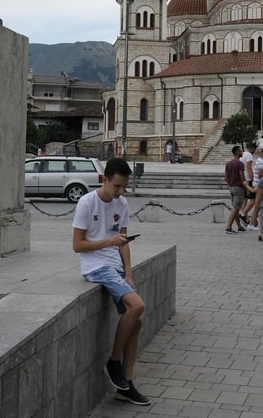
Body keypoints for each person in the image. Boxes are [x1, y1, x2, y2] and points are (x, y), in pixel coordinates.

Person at [72, 158, 151, 406]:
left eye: (123, 187)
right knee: (137, 306)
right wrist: (109, 242)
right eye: (116, 186)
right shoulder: (87, 202)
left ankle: (126, 383)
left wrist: (128, 272)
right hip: (95, 266)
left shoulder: (122, 202)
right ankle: (114, 361)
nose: (120, 191)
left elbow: (123, 242)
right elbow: (77, 245)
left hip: (115, 267)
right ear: (104, 179)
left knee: (136, 320)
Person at [224, 146, 249, 234]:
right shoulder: (240, 164)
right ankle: (228, 227)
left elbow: (226, 177)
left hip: (231, 187)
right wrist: (246, 187)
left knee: (236, 208)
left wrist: (230, 184)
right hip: (239, 188)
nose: (242, 152)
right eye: (241, 151)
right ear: (237, 152)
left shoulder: (228, 163)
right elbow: (242, 177)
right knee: (236, 208)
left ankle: (239, 226)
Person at [239, 142, 257, 222]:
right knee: (253, 199)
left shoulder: (242, 154)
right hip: (248, 179)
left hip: (242, 179)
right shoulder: (249, 155)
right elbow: (249, 168)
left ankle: (245, 217)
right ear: (252, 148)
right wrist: (252, 180)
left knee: (245, 200)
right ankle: (243, 214)